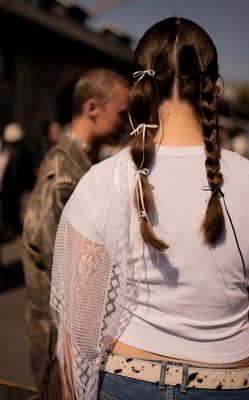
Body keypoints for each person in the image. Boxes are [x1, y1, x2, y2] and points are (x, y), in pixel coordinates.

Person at [50, 18, 249, 400]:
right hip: (228, 384)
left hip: (126, 379)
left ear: (142, 83)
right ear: (212, 85)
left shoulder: (103, 181)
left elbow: (77, 333)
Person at [22, 68, 128, 400]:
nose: (126, 123)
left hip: (70, 336)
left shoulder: (82, 163)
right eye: (122, 114)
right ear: (92, 108)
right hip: (58, 340)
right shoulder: (64, 175)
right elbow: (65, 272)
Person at [0, 122, 34, 240]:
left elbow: (13, 178)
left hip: (17, 194)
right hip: (19, 193)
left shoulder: (17, 154)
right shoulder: (22, 152)